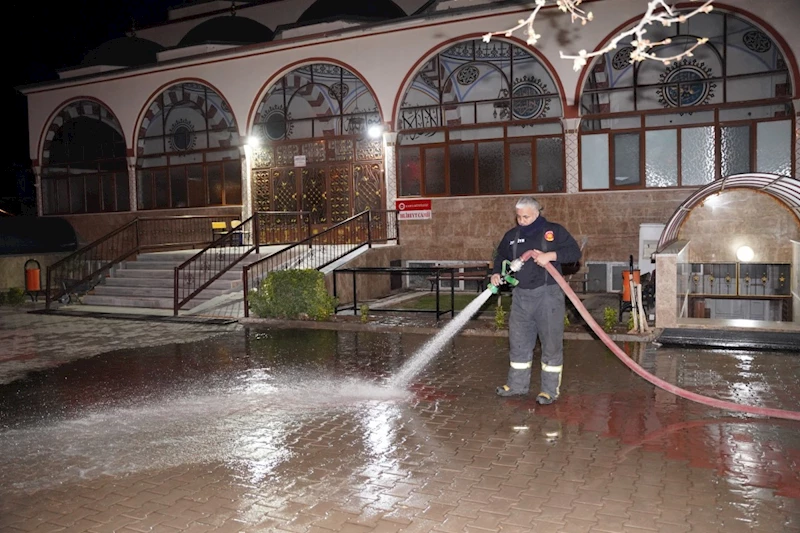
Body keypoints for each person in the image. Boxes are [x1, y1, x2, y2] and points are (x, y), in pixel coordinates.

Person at [491, 196, 581, 405]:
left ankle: (549, 391)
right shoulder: (512, 236)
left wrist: (551, 256)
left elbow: (573, 253)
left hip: (548, 296)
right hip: (521, 296)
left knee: (551, 345)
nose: (521, 221)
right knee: (518, 343)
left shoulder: (553, 231)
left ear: (537, 213)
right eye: (519, 217)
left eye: (526, 217)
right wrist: (496, 273)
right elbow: (500, 257)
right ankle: (517, 386)